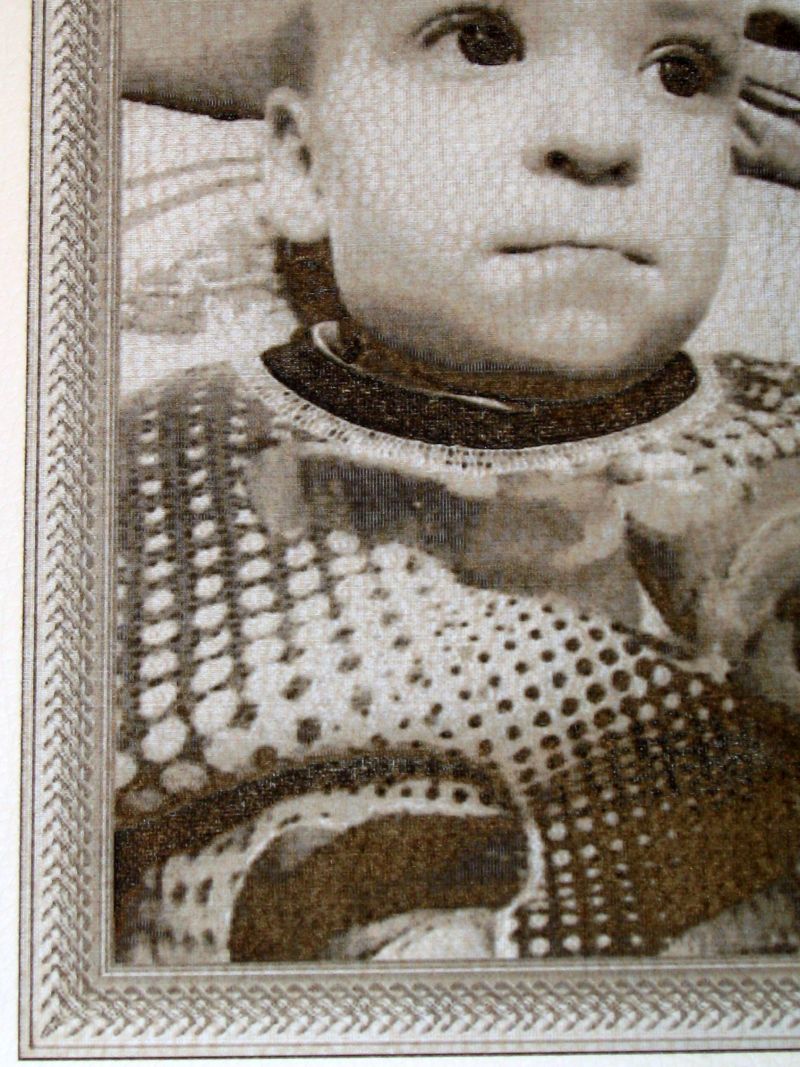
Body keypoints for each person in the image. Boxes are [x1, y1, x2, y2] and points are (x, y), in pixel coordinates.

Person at [114, 0, 800, 964]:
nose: (600, 140)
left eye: (680, 72)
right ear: (304, 166)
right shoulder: (144, 463)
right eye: (483, 44)